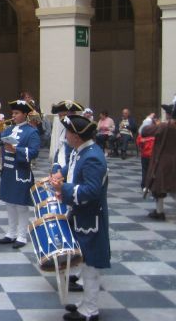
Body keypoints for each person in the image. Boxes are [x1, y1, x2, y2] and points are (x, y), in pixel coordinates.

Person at [50, 114, 110, 321]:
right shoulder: (81, 151)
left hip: (90, 219)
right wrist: (61, 174)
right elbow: (75, 170)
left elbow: (91, 191)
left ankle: (90, 310)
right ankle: (85, 302)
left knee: (91, 265)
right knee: (84, 262)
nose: (65, 135)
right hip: (81, 215)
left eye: (67, 131)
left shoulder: (93, 157)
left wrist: (63, 187)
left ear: (76, 136)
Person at [0, 100, 40, 249]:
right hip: (8, 171)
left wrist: (16, 150)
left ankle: (22, 235)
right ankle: (11, 233)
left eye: (17, 113)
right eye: (12, 113)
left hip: (21, 172)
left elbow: (34, 152)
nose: (13, 116)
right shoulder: (8, 129)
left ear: (25, 114)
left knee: (21, 205)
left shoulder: (32, 132)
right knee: (10, 204)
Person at [139, 103, 176, 220]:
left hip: (163, 160)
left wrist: (149, 119)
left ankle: (160, 212)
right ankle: (159, 211)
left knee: (159, 187)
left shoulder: (165, 126)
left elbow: (144, 131)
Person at [48, 100, 84, 168]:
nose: (62, 119)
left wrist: (61, 173)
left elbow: (77, 158)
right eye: (60, 116)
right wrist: (55, 168)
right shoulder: (64, 130)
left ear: (74, 114)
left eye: (65, 115)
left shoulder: (79, 132)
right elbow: (59, 151)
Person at [136, 114, 158, 190]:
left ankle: (145, 185)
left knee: (146, 170)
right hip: (150, 154)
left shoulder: (142, 133)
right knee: (150, 170)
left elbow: (139, 143)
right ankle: (148, 185)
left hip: (146, 154)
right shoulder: (155, 132)